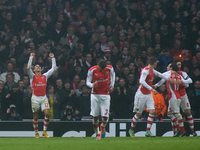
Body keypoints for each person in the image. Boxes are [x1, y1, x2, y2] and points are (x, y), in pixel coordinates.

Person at [129, 56, 171, 137]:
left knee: (152, 111)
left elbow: (160, 75)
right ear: (154, 63)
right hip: (141, 94)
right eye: (156, 63)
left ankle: (148, 131)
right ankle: (131, 129)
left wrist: (169, 79)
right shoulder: (145, 71)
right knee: (139, 114)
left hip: (148, 94)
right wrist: (152, 88)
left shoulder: (152, 70)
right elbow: (141, 81)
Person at [155, 62, 192, 137]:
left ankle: (182, 131)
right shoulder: (179, 76)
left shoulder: (169, 74)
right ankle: (177, 131)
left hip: (173, 97)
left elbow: (161, 77)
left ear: (171, 68)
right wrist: (181, 82)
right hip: (178, 96)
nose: (168, 68)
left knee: (177, 114)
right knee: (170, 113)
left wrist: (155, 85)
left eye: (169, 67)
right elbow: (187, 84)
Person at [27, 52, 56, 138]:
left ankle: (44, 131)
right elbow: (28, 67)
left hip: (43, 97)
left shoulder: (45, 76)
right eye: (36, 67)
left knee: (47, 114)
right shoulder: (32, 76)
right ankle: (36, 133)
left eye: (39, 66)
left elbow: (53, 69)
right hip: (35, 98)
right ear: (34, 70)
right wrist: (31, 57)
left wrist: (53, 58)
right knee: (35, 117)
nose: (38, 67)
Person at [86, 59, 115, 140]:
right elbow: (87, 82)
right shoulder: (92, 70)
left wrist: (112, 85)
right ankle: (97, 134)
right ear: (97, 64)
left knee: (105, 116)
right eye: (100, 68)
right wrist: (92, 85)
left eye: (103, 69)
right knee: (95, 117)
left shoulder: (109, 68)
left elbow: (113, 75)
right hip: (95, 95)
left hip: (105, 95)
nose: (102, 70)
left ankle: (103, 126)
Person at [176, 61, 197, 136]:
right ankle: (178, 131)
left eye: (180, 65)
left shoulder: (182, 73)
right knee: (176, 114)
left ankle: (192, 130)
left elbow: (189, 81)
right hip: (174, 95)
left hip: (183, 95)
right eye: (178, 64)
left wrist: (182, 81)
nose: (179, 66)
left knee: (188, 112)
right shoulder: (170, 74)